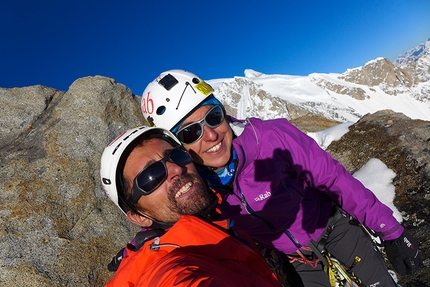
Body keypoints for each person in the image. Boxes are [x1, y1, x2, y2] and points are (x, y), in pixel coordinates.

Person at [141, 69, 423, 287]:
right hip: (297, 263)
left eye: (214, 117)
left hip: (336, 229)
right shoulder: (194, 189)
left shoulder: (271, 138)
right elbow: (169, 223)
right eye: (191, 132)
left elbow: (335, 180)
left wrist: (391, 230)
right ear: (176, 146)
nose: (212, 135)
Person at [99, 126, 280, 287]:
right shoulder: (165, 266)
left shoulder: (213, 222)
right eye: (151, 176)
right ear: (140, 217)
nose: (176, 169)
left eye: (175, 156)